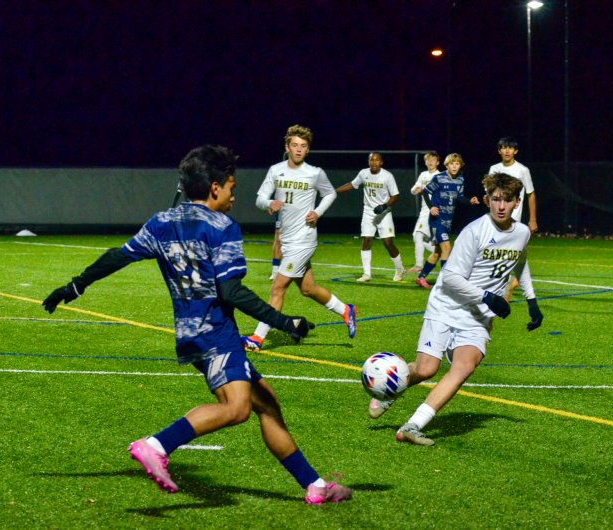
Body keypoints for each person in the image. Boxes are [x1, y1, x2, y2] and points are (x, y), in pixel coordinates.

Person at [41, 145, 352, 504]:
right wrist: (285, 321)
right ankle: (156, 445)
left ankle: (315, 485)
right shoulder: (222, 227)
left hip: (190, 335)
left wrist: (75, 286)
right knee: (237, 409)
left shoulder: (161, 223)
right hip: (217, 333)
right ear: (215, 188)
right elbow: (231, 291)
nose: (234, 197)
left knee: (267, 404)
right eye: (232, 188)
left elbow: (117, 257)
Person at [367, 173, 544, 446]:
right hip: (446, 306)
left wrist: (532, 302)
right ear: (486, 200)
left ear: (517, 203)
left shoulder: (521, 233)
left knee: (464, 366)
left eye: (507, 200)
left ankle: (413, 426)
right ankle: (390, 389)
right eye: (495, 199)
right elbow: (450, 278)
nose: (501, 206)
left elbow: (520, 262)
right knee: (426, 369)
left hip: (477, 317)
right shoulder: (474, 232)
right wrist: (488, 297)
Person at [242, 125, 357, 351]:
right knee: (308, 289)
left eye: (303, 146)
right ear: (287, 147)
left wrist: (318, 212)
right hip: (287, 239)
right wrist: (269, 203)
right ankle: (346, 310)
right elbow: (260, 198)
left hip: (304, 240)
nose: (298, 149)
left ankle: (257, 338)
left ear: (307, 150)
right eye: (294, 145)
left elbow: (330, 193)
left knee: (277, 288)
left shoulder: (315, 173)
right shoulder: (275, 170)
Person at [335, 151, 406, 282]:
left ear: (381, 162)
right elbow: (352, 184)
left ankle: (399, 269)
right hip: (368, 212)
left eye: (377, 160)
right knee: (366, 240)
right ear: (368, 162)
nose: (374, 162)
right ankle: (367, 274)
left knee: (388, 242)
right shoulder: (363, 173)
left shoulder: (387, 176)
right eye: (371, 160)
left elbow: (395, 196)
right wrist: (335, 191)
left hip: (384, 213)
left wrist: (384, 206)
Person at [415, 153, 480, 289]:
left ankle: (421, 277)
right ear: (447, 165)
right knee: (447, 248)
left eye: (457, 164)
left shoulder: (460, 179)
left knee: (437, 252)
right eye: (451, 164)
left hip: (448, 220)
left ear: (460, 165)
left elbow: (459, 197)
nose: (454, 166)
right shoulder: (439, 178)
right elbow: (425, 192)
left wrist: (470, 201)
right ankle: (445, 281)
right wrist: (431, 207)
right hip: (436, 220)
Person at [489, 136, 538, 300]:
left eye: (510, 148)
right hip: (495, 220)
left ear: (515, 151)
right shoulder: (494, 169)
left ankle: (510, 288)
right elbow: (490, 194)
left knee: (514, 253)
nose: (507, 151)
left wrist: (532, 219)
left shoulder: (522, 170)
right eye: (504, 147)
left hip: (514, 221)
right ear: (499, 151)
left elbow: (531, 194)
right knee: (500, 253)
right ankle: (506, 286)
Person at [407, 151, 440, 273]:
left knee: (418, 235)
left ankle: (419, 265)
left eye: (433, 160)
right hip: (424, 210)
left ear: (437, 162)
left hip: (432, 210)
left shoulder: (439, 176)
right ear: (425, 162)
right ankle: (443, 253)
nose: (430, 162)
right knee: (422, 239)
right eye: (428, 160)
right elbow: (414, 189)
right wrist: (415, 190)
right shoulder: (423, 175)